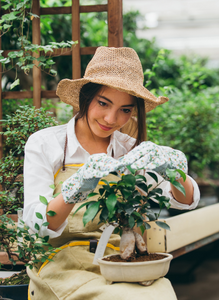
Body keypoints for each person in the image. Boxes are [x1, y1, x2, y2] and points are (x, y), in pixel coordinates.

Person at [23, 47, 200, 300]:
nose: (111, 118)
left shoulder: (130, 148)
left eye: (125, 110)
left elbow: (185, 201)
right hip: (63, 264)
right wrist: (76, 188)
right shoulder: (46, 144)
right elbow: (38, 225)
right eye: (103, 103)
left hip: (122, 259)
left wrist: (175, 172)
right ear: (86, 97)